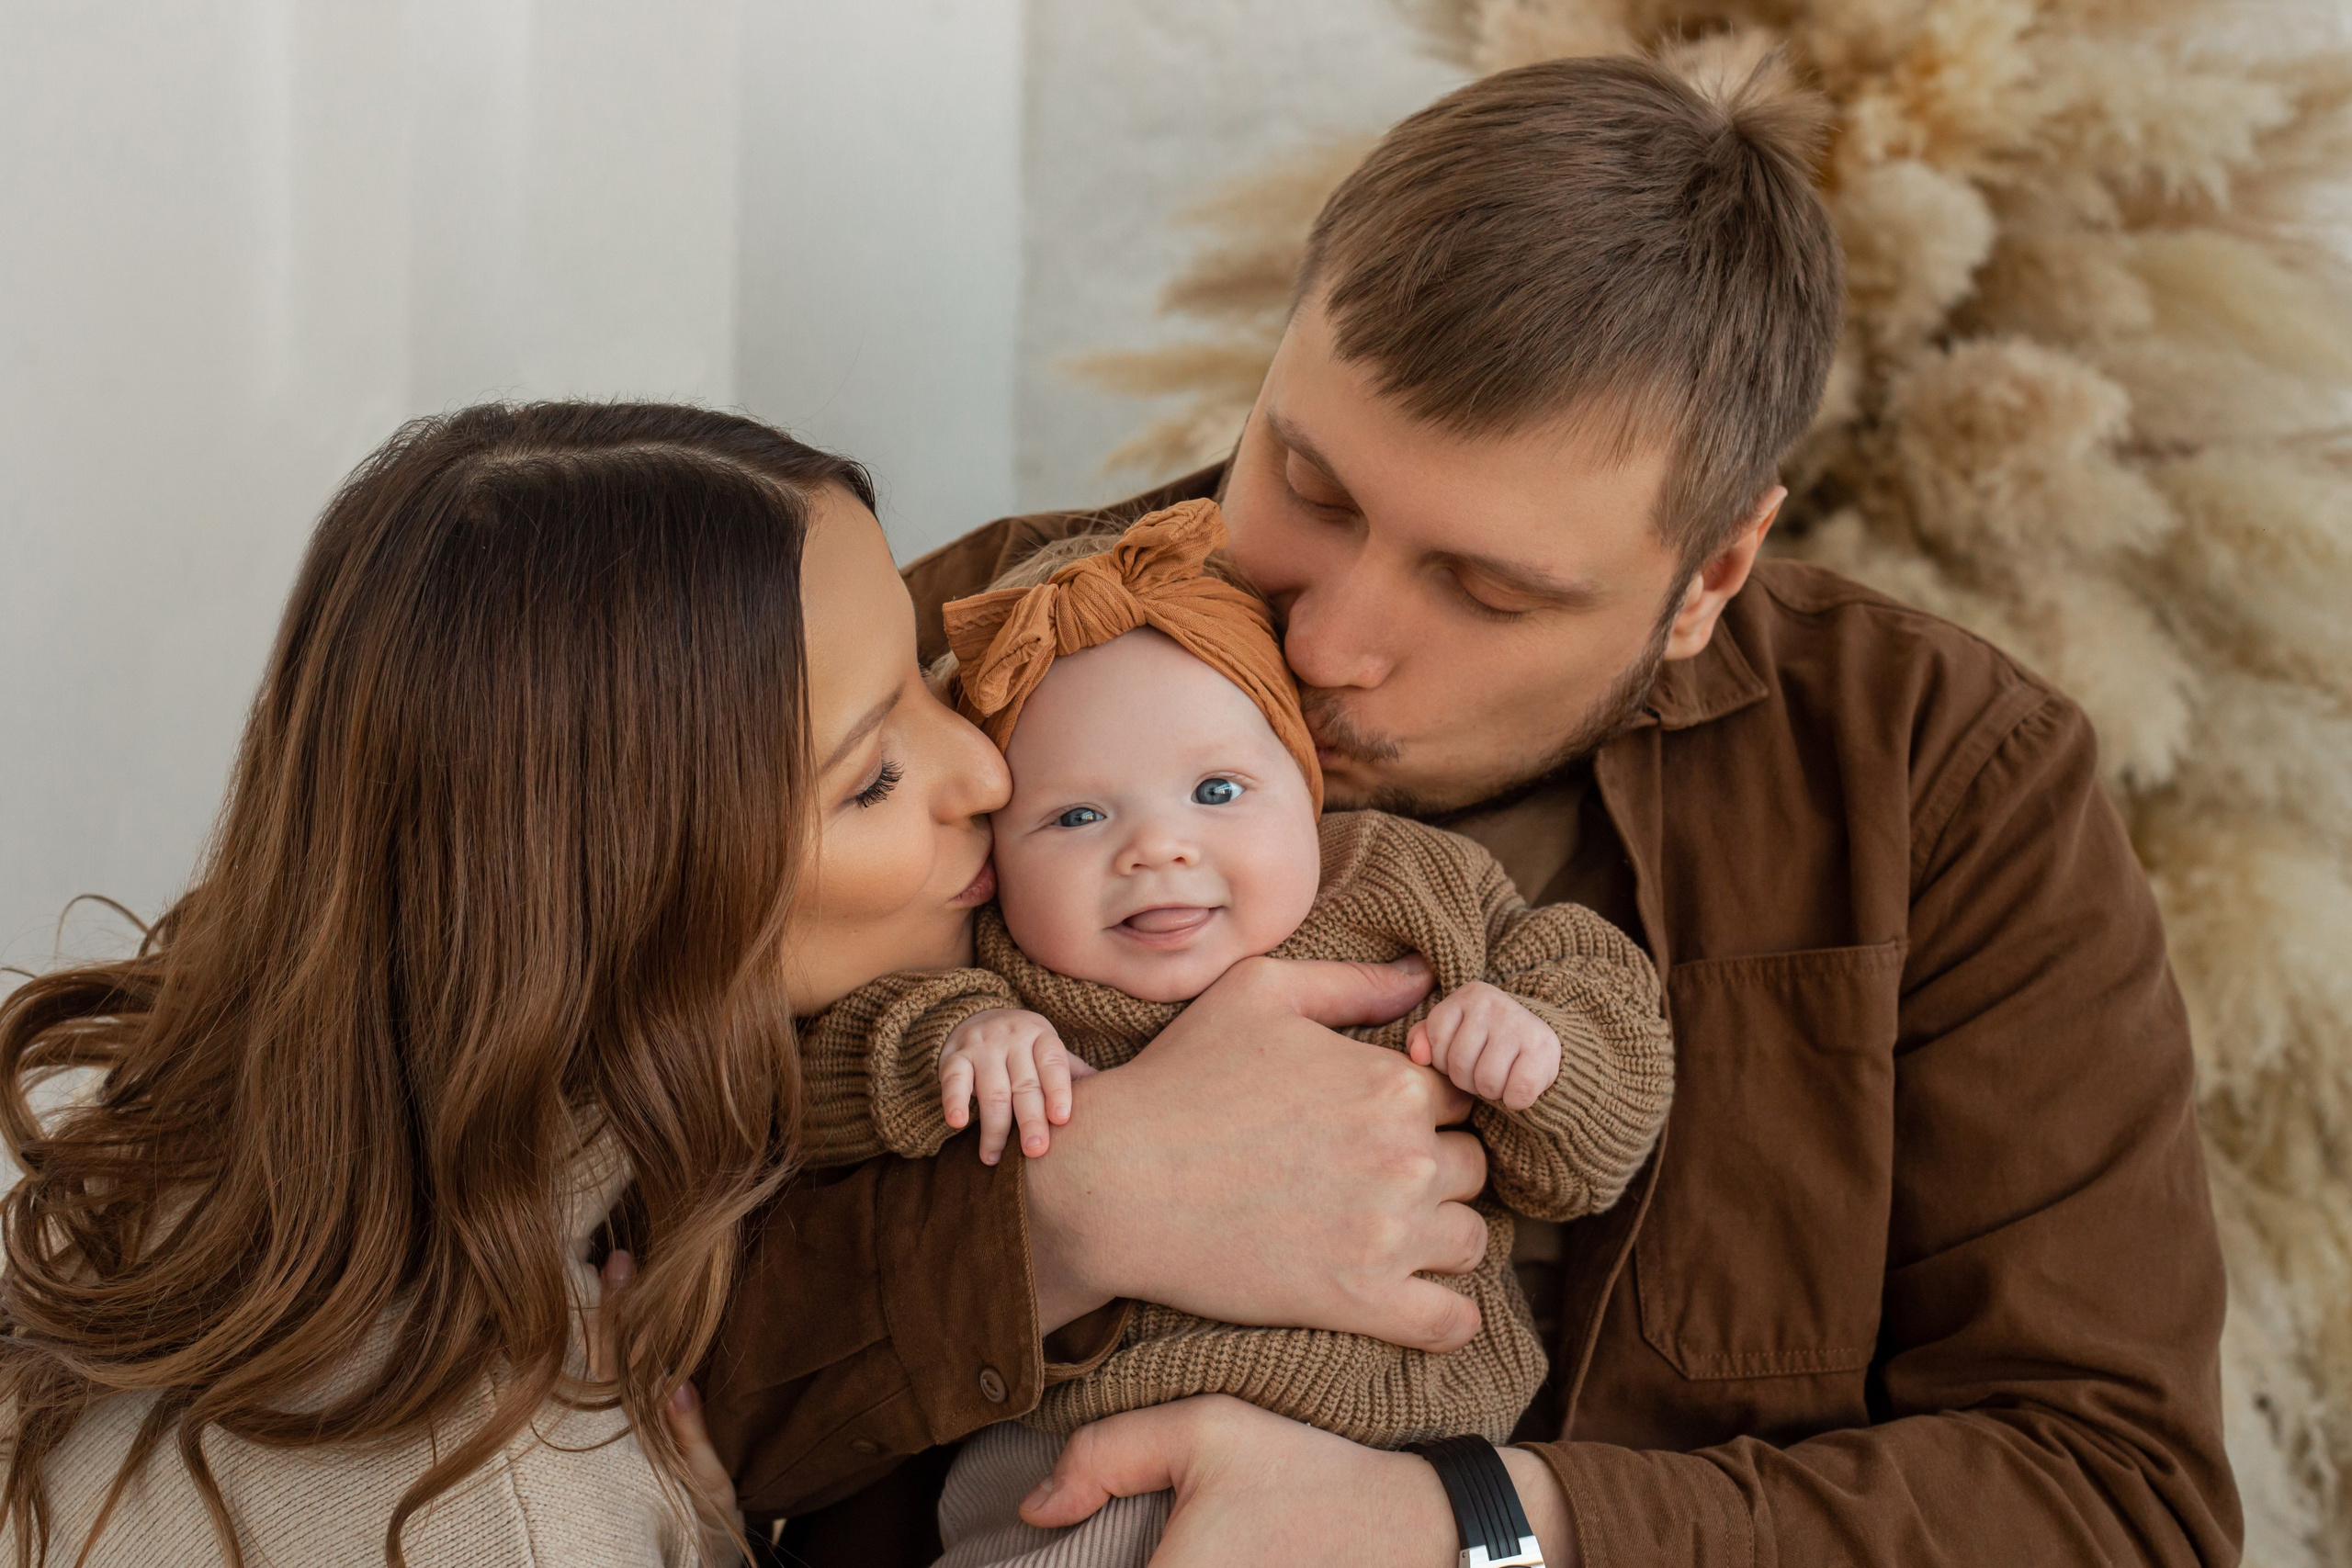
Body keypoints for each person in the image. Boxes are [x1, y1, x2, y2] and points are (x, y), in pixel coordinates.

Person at [702, 51, 2236, 1568]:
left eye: (1487, 588)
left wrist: (1478, 1526)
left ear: (1709, 574)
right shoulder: (937, 671)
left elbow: (2112, 1499)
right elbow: (549, 1354)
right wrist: (1061, 1222)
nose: (1328, 641)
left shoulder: (1943, 779)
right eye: (1311, 484)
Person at [0, 402, 1013, 1567]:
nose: (985, 767)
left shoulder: (234, 1172)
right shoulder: (491, 1506)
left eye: (931, 679)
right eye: (872, 779)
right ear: (627, 884)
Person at [781, 499, 1672, 1568]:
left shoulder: (1408, 891)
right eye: (1074, 816)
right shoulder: (995, 963)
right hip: (1086, 1473)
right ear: (996, 854)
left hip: (1413, 1471)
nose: (1157, 848)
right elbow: (830, 1074)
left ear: (1307, 786)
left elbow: (1592, 1121)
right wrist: (957, 1046)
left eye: (1215, 791)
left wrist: (1538, 1047)